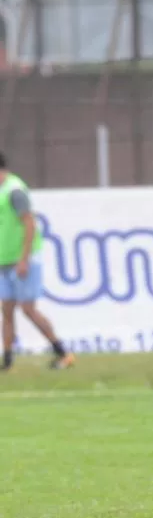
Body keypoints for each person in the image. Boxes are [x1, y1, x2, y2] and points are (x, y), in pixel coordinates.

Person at [0, 153, 75, 372]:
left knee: (28, 309)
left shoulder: (14, 191)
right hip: (4, 259)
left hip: (22, 259)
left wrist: (24, 259)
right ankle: (7, 360)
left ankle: (63, 353)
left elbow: (30, 224)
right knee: (6, 309)